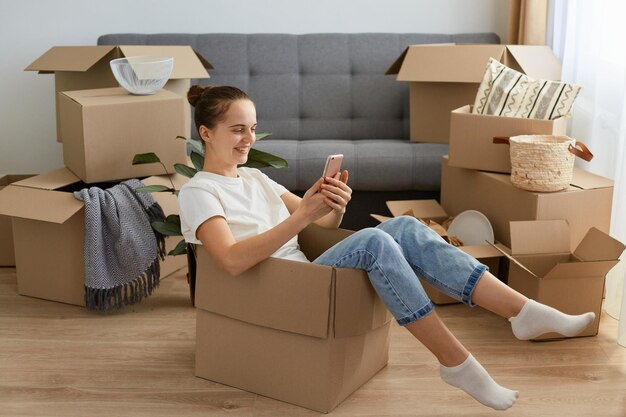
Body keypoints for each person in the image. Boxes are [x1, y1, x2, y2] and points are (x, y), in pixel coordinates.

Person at [178, 84, 596, 411]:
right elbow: (230, 261)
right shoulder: (199, 191)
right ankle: (458, 363)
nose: (248, 138)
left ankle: (523, 311)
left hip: (304, 275)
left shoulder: (255, 179)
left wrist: (330, 205)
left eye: (252, 128)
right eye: (237, 129)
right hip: (274, 287)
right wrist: (302, 217)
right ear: (205, 132)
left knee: (403, 228)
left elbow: (323, 225)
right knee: (377, 240)